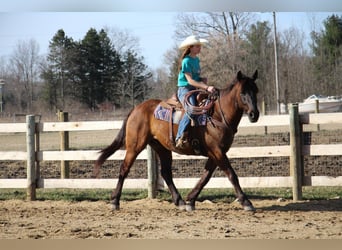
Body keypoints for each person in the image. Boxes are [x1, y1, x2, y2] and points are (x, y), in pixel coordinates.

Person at [175, 35, 216, 149]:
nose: (199, 48)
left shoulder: (196, 60)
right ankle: (180, 137)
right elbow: (190, 80)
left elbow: (195, 78)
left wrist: (202, 80)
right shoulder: (186, 61)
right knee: (192, 110)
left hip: (195, 88)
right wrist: (206, 87)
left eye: (200, 46)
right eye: (197, 46)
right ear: (191, 47)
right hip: (185, 89)